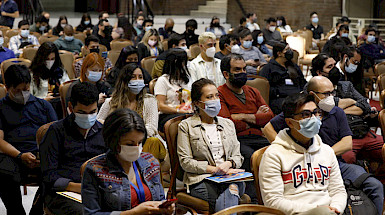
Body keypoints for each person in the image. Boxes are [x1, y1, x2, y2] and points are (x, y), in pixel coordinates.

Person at [263, 76, 384, 215]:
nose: (331, 97)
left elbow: (347, 143)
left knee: (374, 186)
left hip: (335, 164)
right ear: (312, 94)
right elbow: (267, 128)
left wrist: (320, 155)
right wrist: (287, 150)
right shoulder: (296, 110)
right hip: (301, 187)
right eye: (326, 94)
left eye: (333, 93)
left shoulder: (336, 112)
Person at [260, 92, 347, 215]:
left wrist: (336, 208)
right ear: (290, 122)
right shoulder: (274, 154)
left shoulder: (327, 151)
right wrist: (315, 210)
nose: (314, 118)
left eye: (317, 113)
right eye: (306, 115)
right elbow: (273, 201)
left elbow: (338, 190)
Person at [82, 108, 174, 215]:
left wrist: (165, 207)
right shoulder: (95, 170)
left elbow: (160, 199)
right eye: (130, 144)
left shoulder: (151, 162)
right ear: (114, 142)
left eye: (139, 143)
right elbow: (91, 213)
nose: (136, 148)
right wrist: (133, 213)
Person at [177, 78, 245, 213]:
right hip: (202, 179)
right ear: (197, 103)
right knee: (231, 193)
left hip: (230, 176)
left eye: (216, 96)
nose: (215, 100)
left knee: (235, 186)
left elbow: (238, 155)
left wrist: (229, 164)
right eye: (209, 97)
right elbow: (186, 162)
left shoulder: (228, 124)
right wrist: (215, 170)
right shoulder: (186, 126)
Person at [40, 82, 106, 215]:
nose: (88, 117)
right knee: (85, 212)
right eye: (82, 112)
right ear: (71, 107)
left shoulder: (104, 132)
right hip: (64, 192)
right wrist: (79, 187)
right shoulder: (56, 132)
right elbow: (48, 174)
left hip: (100, 188)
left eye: (92, 112)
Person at [0, 64, 57, 214]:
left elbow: (56, 135)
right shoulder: (1, 107)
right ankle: (16, 211)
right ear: (7, 87)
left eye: (25, 90)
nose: (22, 94)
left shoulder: (43, 106)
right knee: (4, 173)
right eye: (17, 91)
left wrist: (43, 154)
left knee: (57, 172)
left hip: (40, 154)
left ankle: (36, 211)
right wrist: (20, 155)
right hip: (13, 154)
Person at [311, 54, 384, 165]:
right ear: (319, 72)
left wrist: (341, 109)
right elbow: (327, 106)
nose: (334, 69)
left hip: (362, 130)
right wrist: (352, 102)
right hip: (344, 137)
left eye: (334, 65)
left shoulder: (346, 85)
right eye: (329, 67)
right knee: (347, 158)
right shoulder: (314, 90)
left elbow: (365, 104)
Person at [98, 64, 166, 162]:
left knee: (153, 141)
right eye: (133, 77)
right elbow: (98, 123)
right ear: (125, 80)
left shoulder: (150, 100)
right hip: (119, 143)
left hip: (145, 142)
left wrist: (129, 135)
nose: (137, 80)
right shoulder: (110, 102)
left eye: (140, 77)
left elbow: (151, 128)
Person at [260, 42, 307, 114]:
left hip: (297, 96)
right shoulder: (269, 68)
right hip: (280, 98)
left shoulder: (293, 66)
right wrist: (279, 92)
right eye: (287, 49)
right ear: (279, 53)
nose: (290, 51)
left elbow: (302, 82)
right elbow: (264, 87)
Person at [155, 49, 193, 132]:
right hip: (169, 115)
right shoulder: (163, 80)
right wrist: (178, 111)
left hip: (188, 113)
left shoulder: (188, 79)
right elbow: (160, 106)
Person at [30, 42, 69, 118]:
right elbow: (29, 97)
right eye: (47, 59)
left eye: (52, 59)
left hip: (59, 104)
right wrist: (44, 99)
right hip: (41, 106)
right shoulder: (33, 74)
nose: (50, 62)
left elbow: (67, 88)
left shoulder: (60, 71)